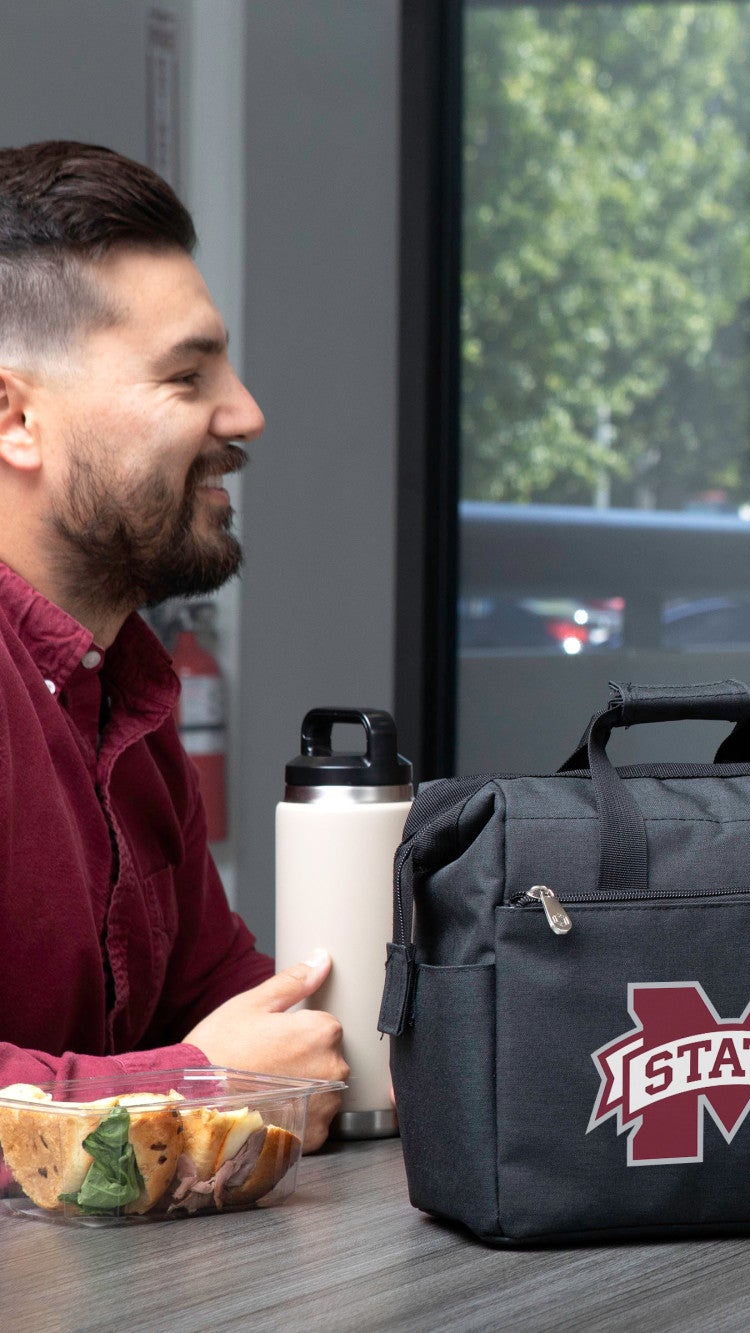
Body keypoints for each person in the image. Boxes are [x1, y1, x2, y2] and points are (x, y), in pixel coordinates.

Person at [0, 142, 345, 1148]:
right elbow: (226, 1059)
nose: (244, 413)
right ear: (15, 416)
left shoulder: (124, 690)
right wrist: (204, 1084)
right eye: (188, 375)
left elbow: (238, 1009)